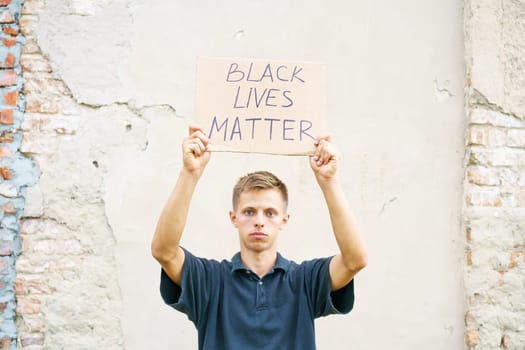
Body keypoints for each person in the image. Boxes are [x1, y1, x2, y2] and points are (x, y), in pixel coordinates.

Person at [152, 125, 367, 350]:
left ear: (284, 220)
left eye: (270, 212)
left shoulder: (305, 280)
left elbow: (355, 260)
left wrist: (329, 181)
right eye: (249, 211)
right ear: (233, 217)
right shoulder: (209, 281)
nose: (259, 221)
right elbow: (164, 251)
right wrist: (190, 173)